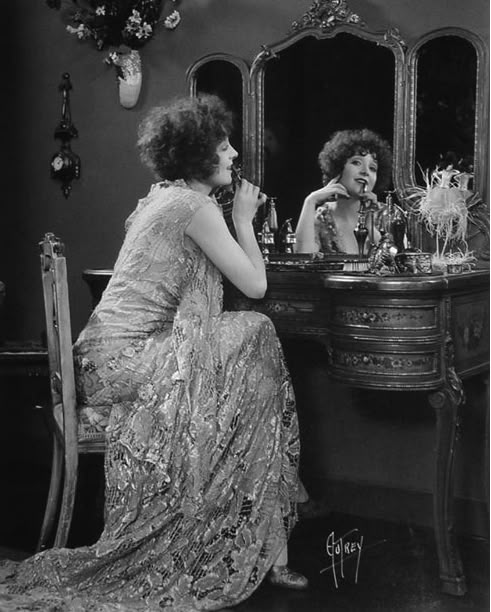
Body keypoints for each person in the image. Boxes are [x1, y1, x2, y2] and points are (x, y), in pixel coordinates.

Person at [1, 95, 308, 611]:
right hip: (126, 364)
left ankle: (272, 511)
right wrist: (244, 219)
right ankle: (271, 522)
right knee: (256, 332)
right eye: (223, 146)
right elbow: (255, 286)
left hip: (96, 361)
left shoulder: (159, 199)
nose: (234, 154)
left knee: (245, 359)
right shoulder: (194, 207)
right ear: (196, 154)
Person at [295, 129, 392, 254]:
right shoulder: (323, 218)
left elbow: (398, 261)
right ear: (338, 168)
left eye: (372, 168)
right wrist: (310, 201)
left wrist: (370, 226)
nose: (365, 172)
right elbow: (303, 257)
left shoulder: (388, 215)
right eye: (356, 162)